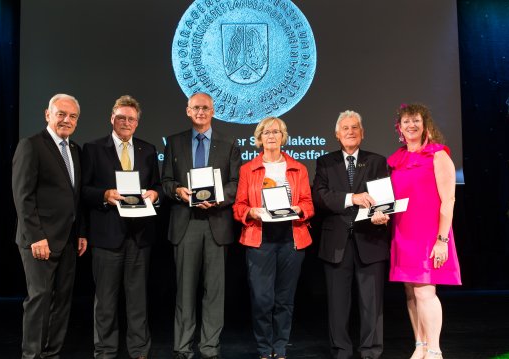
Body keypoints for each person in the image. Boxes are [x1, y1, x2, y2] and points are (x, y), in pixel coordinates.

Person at [161, 92, 241, 359]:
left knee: (214, 292)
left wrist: (218, 198)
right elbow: (166, 182)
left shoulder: (229, 143)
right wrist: (179, 192)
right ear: (187, 110)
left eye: (205, 108)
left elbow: (235, 184)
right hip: (186, 223)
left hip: (216, 223)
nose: (201, 112)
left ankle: (209, 348)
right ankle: (183, 348)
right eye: (196, 107)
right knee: (184, 291)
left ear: (213, 110)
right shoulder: (173, 142)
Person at [81, 95, 161, 359]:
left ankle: (139, 351)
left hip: (139, 237)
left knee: (138, 300)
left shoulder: (147, 150)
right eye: (122, 117)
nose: (126, 122)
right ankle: (105, 351)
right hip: (106, 236)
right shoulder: (92, 149)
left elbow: (157, 185)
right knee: (105, 301)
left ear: (137, 123)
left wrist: (155, 195)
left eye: (132, 119)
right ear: (112, 119)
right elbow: (83, 190)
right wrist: (104, 195)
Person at [12, 93, 88, 359]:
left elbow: (74, 197)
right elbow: (23, 196)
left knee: (62, 301)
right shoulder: (31, 145)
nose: (66, 120)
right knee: (40, 299)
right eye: (61, 114)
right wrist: (36, 237)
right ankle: (31, 355)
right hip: (39, 241)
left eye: (73, 116)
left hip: (68, 239)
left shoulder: (75, 150)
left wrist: (80, 233)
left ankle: (51, 354)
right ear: (48, 115)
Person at [232, 117, 315, 359]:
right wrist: (250, 212)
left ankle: (279, 348)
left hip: (291, 238)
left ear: (283, 137)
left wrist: (300, 209)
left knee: (285, 299)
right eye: (266, 132)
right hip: (259, 239)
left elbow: (308, 204)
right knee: (261, 298)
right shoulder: (247, 170)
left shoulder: (299, 168)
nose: (271, 136)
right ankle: (263, 348)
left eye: (276, 132)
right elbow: (239, 206)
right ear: (259, 138)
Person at [312, 110, 390, 359]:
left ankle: (371, 352)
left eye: (355, 127)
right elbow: (320, 197)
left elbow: (384, 198)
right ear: (337, 134)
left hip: (370, 239)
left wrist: (383, 214)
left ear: (363, 133)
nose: (350, 131)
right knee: (337, 304)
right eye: (345, 128)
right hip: (336, 242)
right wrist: (351, 198)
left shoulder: (377, 161)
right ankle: (341, 352)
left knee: (372, 303)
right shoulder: (325, 162)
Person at [388, 103, 461, 359]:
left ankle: (434, 350)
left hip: (430, 234)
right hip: (403, 233)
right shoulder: (397, 160)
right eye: (406, 122)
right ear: (399, 128)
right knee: (411, 291)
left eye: (415, 121)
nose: (411, 126)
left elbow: (448, 201)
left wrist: (442, 240)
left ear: (424, 124)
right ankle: (419, 345)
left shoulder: (438, 156)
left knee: (425, 292)